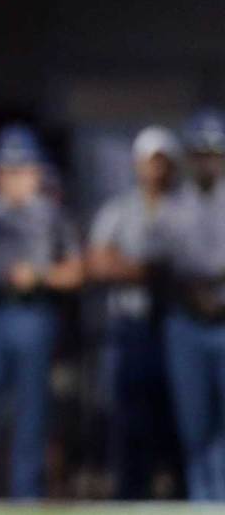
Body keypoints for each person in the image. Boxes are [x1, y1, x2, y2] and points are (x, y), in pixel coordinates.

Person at [0, 124, 83, 498]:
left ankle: (27, 494)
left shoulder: (51, 214)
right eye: (5, 169)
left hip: (33, 313)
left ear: (35, 172)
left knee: (31, 408)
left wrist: (39, 276)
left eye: (19, 169)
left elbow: (76, 270)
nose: (11, 177)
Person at [86, 126, 185, 499]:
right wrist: (146, 271)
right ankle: (131, 495)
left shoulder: (185, 207)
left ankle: (182, 495)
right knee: (130, 417)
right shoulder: (118, 209)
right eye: (149, 161)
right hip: (131, 326)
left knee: (178, 415)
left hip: (177, 325)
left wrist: (131, 266)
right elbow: (98, 262)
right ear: (137, 164)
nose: (155, 170)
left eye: (162, 162)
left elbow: (189, 264)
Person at [162, 108, 225, 501]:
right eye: (201, 153)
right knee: (194, 422)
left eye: (215, 153)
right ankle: (202, 501)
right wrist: (194, 290)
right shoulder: (173, 204)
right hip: (186, 320)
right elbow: (163, 264)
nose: (208, 161)